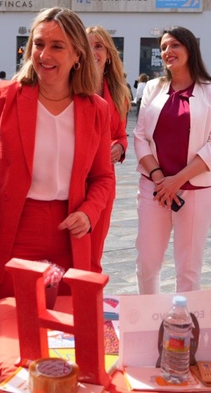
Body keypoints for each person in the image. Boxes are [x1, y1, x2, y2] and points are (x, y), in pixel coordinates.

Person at [0, 7, 114, 323]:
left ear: (77, 55)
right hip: (13, 231)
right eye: (38, 43)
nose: (44, 54)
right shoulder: (6, 95)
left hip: (68, 234)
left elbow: (103, 178)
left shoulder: (96, 109)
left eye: (57, 46)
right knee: (9, 328)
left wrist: (89, 212)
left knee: (66, 332)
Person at [133, 26, 211, 294]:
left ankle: (182, 328)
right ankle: (150, 320)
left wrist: (178, 180)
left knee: (188, 268)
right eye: (163, 47)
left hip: (197, 189)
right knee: (146, 263)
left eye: (174, 45)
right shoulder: (153, 87)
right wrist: (161, 179)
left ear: (189, 49)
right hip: (155, 187)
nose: (167, 51)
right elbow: (140, 137)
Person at [86, 25, 131, 273]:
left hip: (104, 179)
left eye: (99, 46)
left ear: (109, 54)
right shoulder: (69, 87)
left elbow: (121, 134)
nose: (93, 51)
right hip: (72, 178)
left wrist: (120, 147)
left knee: (95, 250)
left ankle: (88, 303)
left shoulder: (119, 93)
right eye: (88, 45)